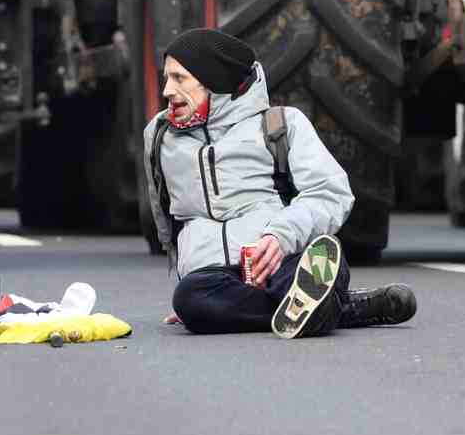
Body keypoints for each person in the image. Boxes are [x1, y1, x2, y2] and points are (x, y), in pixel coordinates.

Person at [143, 28, 417, 338]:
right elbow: (169, 217)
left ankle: (306, 304)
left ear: (214, 81)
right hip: (217, 275)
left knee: (322, 260)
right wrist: (187, 280)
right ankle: (337, 310)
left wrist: (280, 237)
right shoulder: (159, 136)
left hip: (283, 258)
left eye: (180, 79)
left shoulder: (279, 125)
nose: (167, 90)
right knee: (191, 300)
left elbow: (331, 192)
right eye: (167, 78)